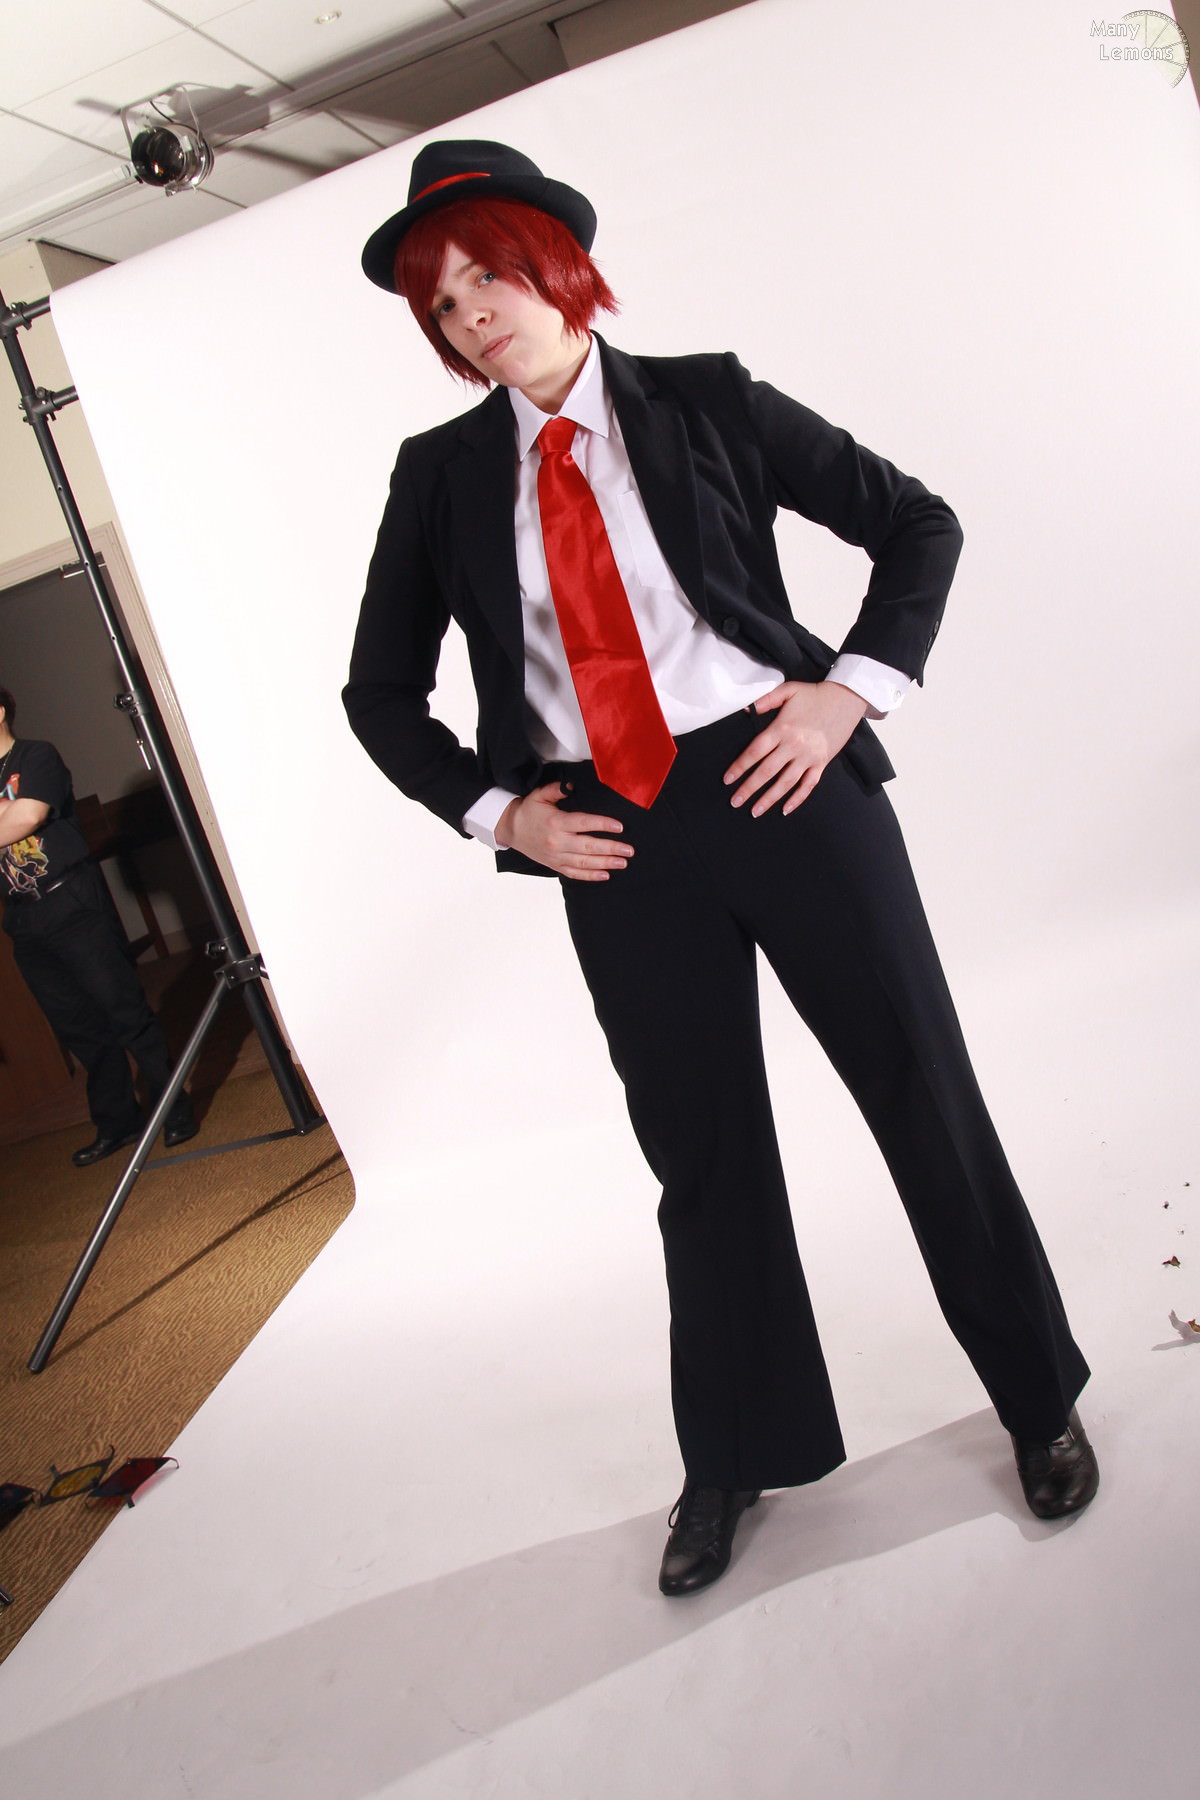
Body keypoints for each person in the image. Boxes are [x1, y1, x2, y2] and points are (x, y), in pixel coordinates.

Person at [344, 140, 1099, 1596]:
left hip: (786, 787)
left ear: (557, 267)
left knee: (921, 1096)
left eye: (488, 274)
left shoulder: (707, 398)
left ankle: (1037, 1396)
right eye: (441, 303)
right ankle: (735, 1454)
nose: (471, 313)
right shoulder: (438, 478)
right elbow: (379, 694)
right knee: (700, 1156)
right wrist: (504, 817)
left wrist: (847, 694)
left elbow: (917, 521)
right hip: (612, 838)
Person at [0, 683, 197, 1165]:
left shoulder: (35, 756)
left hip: (71, 903)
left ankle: (173, 1107)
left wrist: (14, 812)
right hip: (23, 917)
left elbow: (27, 817)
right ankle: (118, 1122)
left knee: (123, 1010)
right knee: (78, 1028)